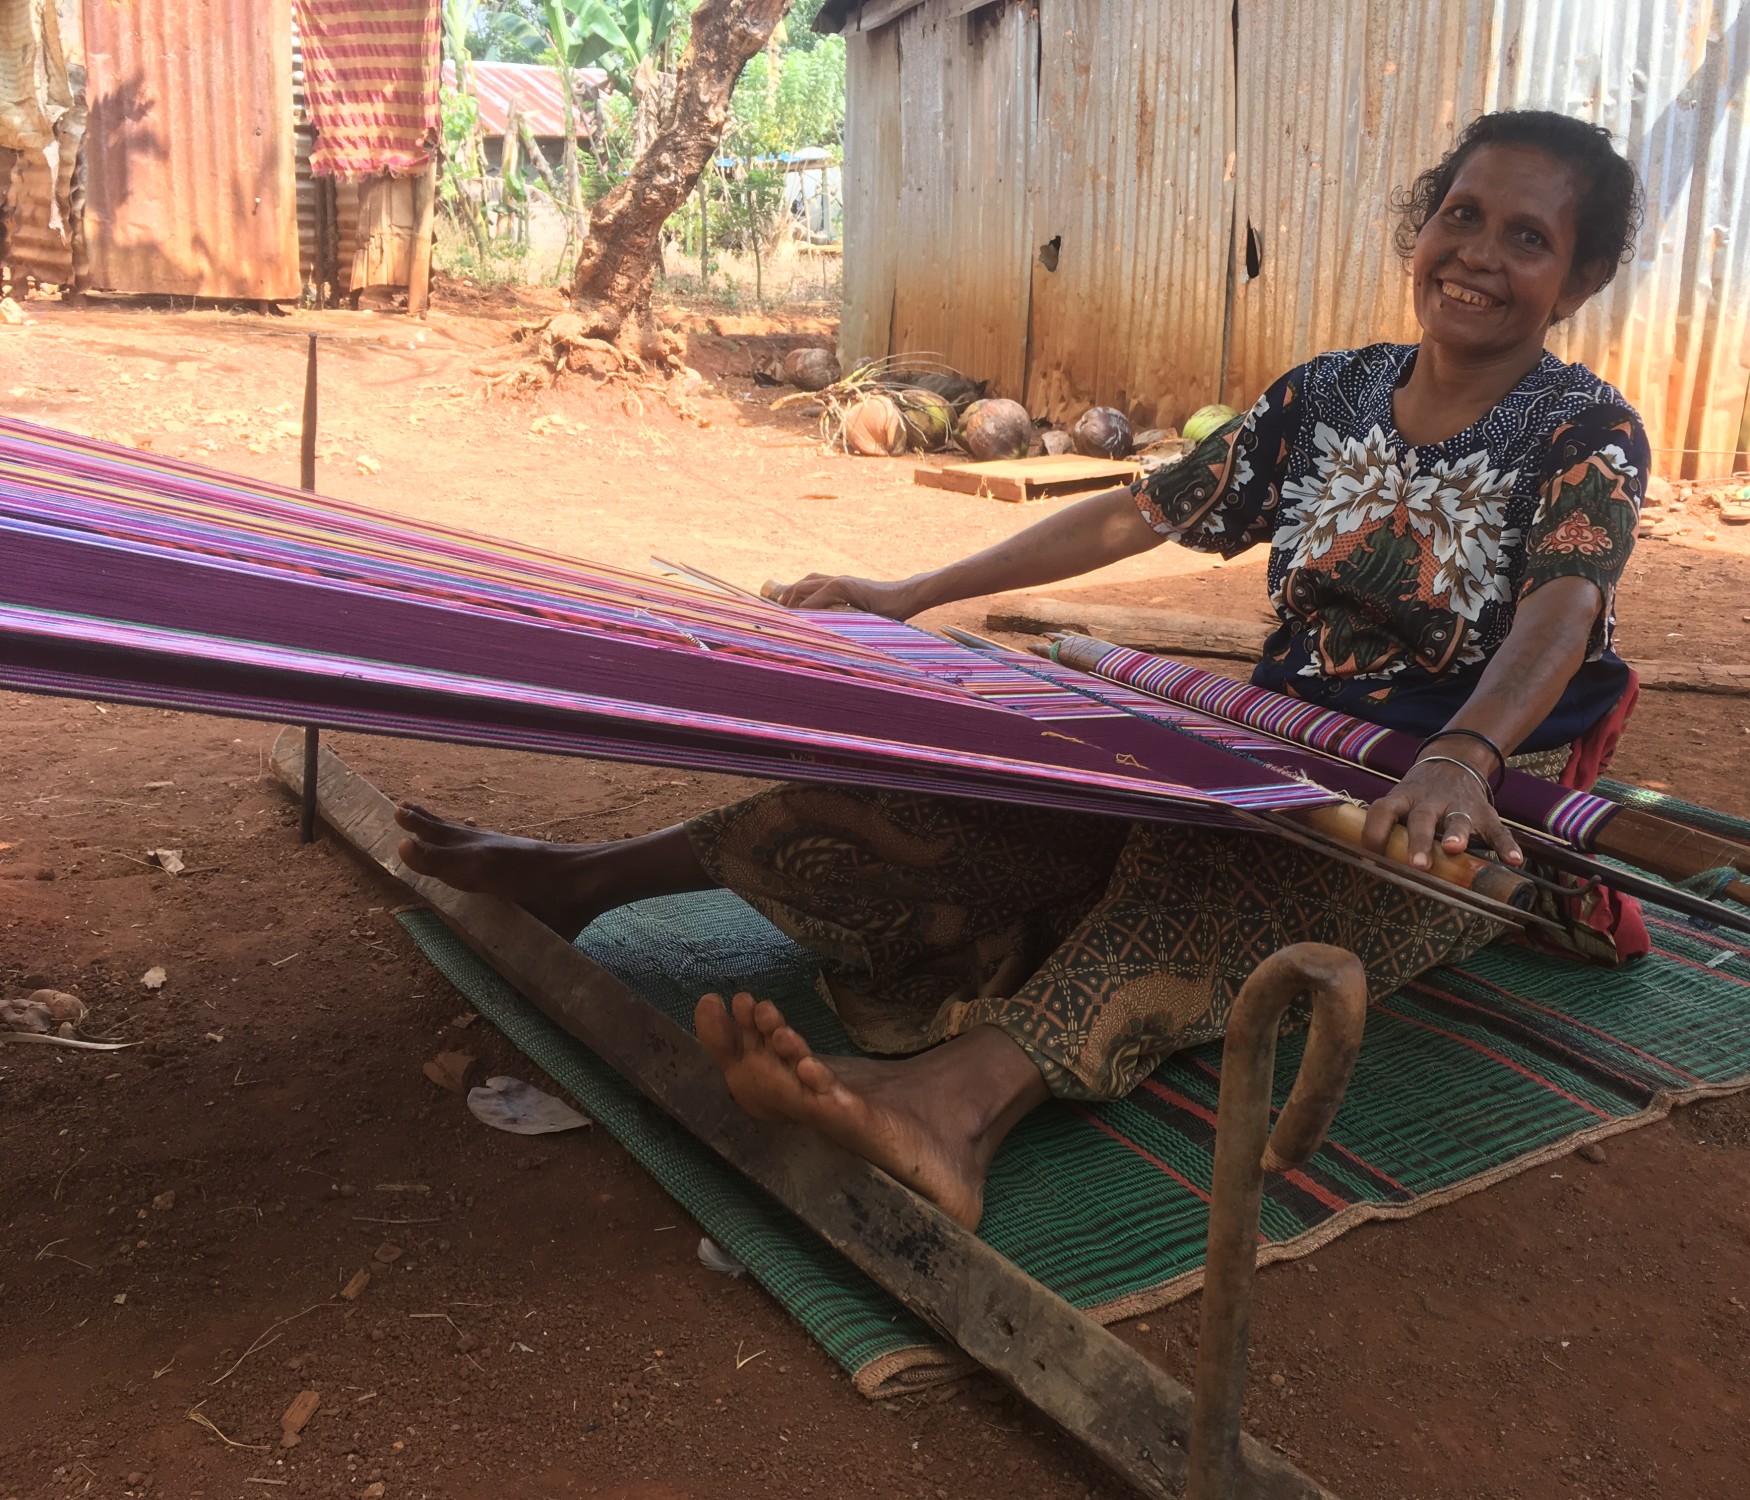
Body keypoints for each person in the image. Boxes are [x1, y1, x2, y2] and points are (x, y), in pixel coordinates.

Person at [396, 110, 1651, 1230]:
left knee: (1212, 873)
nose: (1477, 253)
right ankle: (584, 881)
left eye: (1526, 239)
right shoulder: (1331, 395)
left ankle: (954, 1111)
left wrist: (1461, 757)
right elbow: (1136, 513)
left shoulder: (1583, 431)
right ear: (1422, 223)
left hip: (1434, 803)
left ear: (1578, 277)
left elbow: (1559, 605)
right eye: (1460, 214)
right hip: (1274, 737)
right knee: (968, 785)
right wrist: (914, 592)